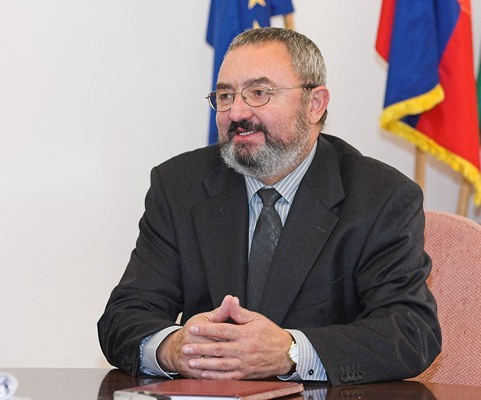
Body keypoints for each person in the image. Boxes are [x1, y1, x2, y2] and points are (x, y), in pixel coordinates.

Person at [98, 27, 441, 386]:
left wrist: (292, 352)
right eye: (225, 95)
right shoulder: (179, 186)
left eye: (259, 93)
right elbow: (125, 316)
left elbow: (411, 332)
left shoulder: (381, 196)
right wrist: (173, 348)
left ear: (314, 104)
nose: (236, 112)